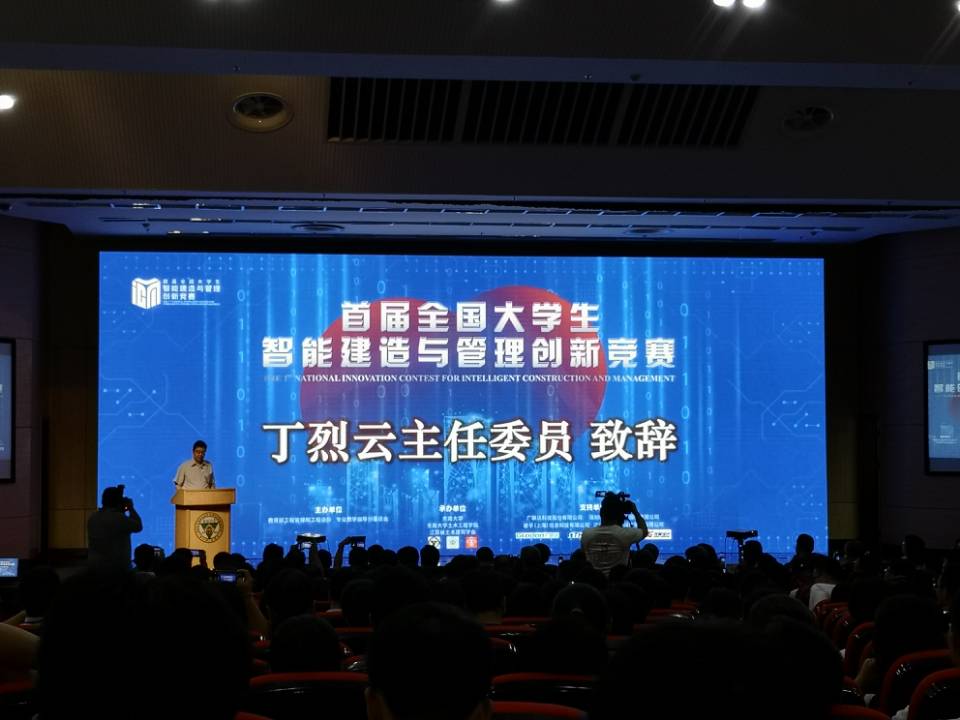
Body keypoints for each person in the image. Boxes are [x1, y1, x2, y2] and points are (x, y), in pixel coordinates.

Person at [580, 491, 648, 576]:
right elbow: (644, 531)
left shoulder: (586, 534)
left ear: (601, 513)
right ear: (621, 515)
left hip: (594, 581)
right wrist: (635, 512)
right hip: (618, 581)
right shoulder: (625, 534)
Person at [87, 485, 143, 568]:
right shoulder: (119, 518)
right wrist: (131, 508)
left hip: (96, 568)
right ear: (118, 502)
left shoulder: (93, 518)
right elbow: (138, 526)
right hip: (117, 569)